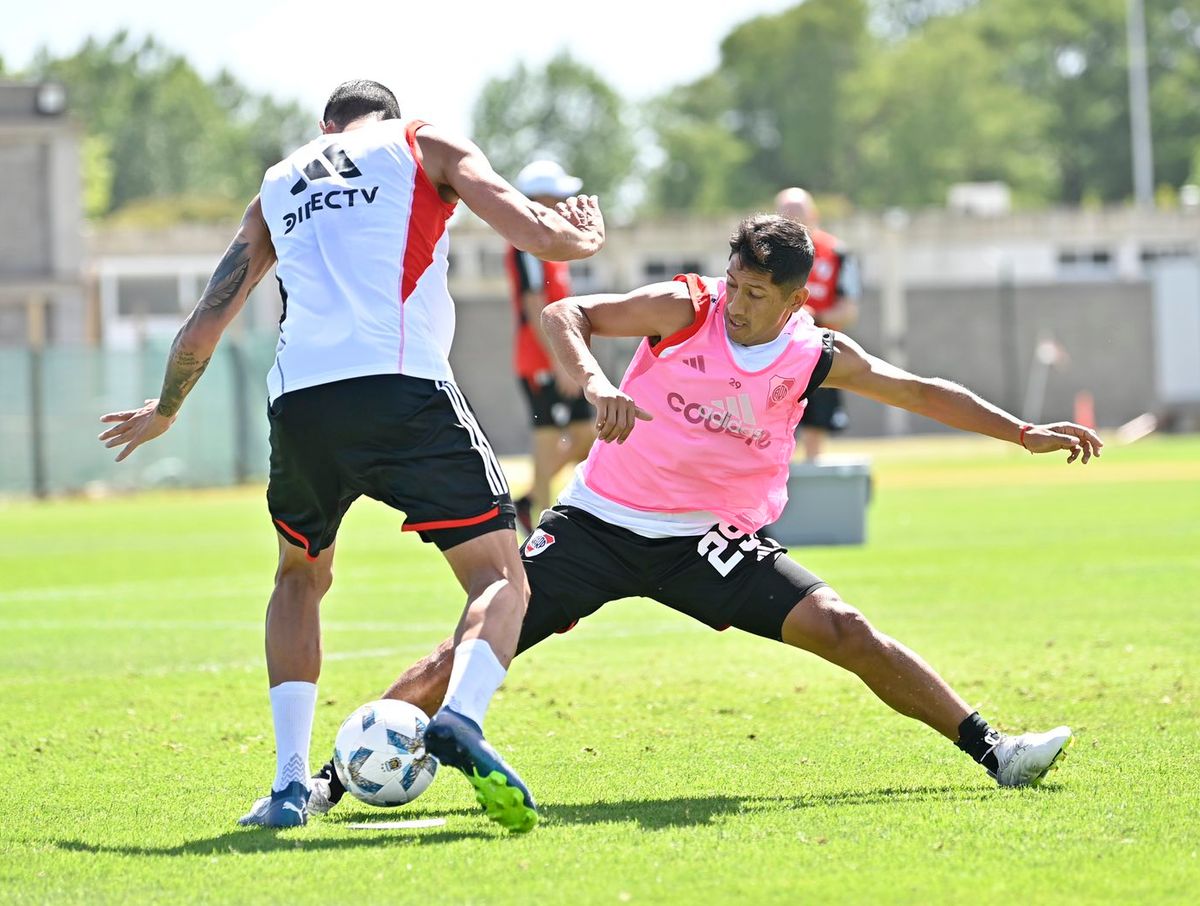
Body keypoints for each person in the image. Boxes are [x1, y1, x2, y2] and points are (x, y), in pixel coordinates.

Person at [299, 213, 1098, 815]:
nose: (738, 304)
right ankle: (328, 782)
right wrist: (596, 384)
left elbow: (921, 390)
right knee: (467, 647)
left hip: (709, 542)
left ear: (794, 300)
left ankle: (996, 750)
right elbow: (563, 315)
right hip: (599, 524)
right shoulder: (687, 306)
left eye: (757, 295)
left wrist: (1021, 431)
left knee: (845, 628)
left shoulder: (815, 354)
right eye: (735, 284)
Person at [96, 80, 606, 832]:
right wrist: (582, 238)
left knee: (299, 576)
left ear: (326, 125)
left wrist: (165, 408)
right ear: (387, 116)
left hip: (300, 404)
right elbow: (532, 230)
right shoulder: (423, 140)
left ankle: (290, 785)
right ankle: (461, 717)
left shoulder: (279, 180)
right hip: (401, 387)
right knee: (500, 577)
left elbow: (208, 316)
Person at [508, 160, 596, 531]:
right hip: (540, 360)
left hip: (557, 357)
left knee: (587, 438)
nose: (565, 201)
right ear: (539, 198)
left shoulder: (550, 241)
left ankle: (526, 502)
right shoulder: (528, 244)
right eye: (557, 195)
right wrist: (561, 361)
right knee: (546, 442)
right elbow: (533, 305)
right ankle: (544, 529)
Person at [775, 187, 861, 460]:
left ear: (814, 215)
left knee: (816, 427)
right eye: (786, 215)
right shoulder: (763, 254)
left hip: (817, 354)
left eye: (798, 214)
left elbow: (848, 310)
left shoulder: (838, 254)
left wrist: (811, 317)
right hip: (772, 353)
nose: (794, 222)